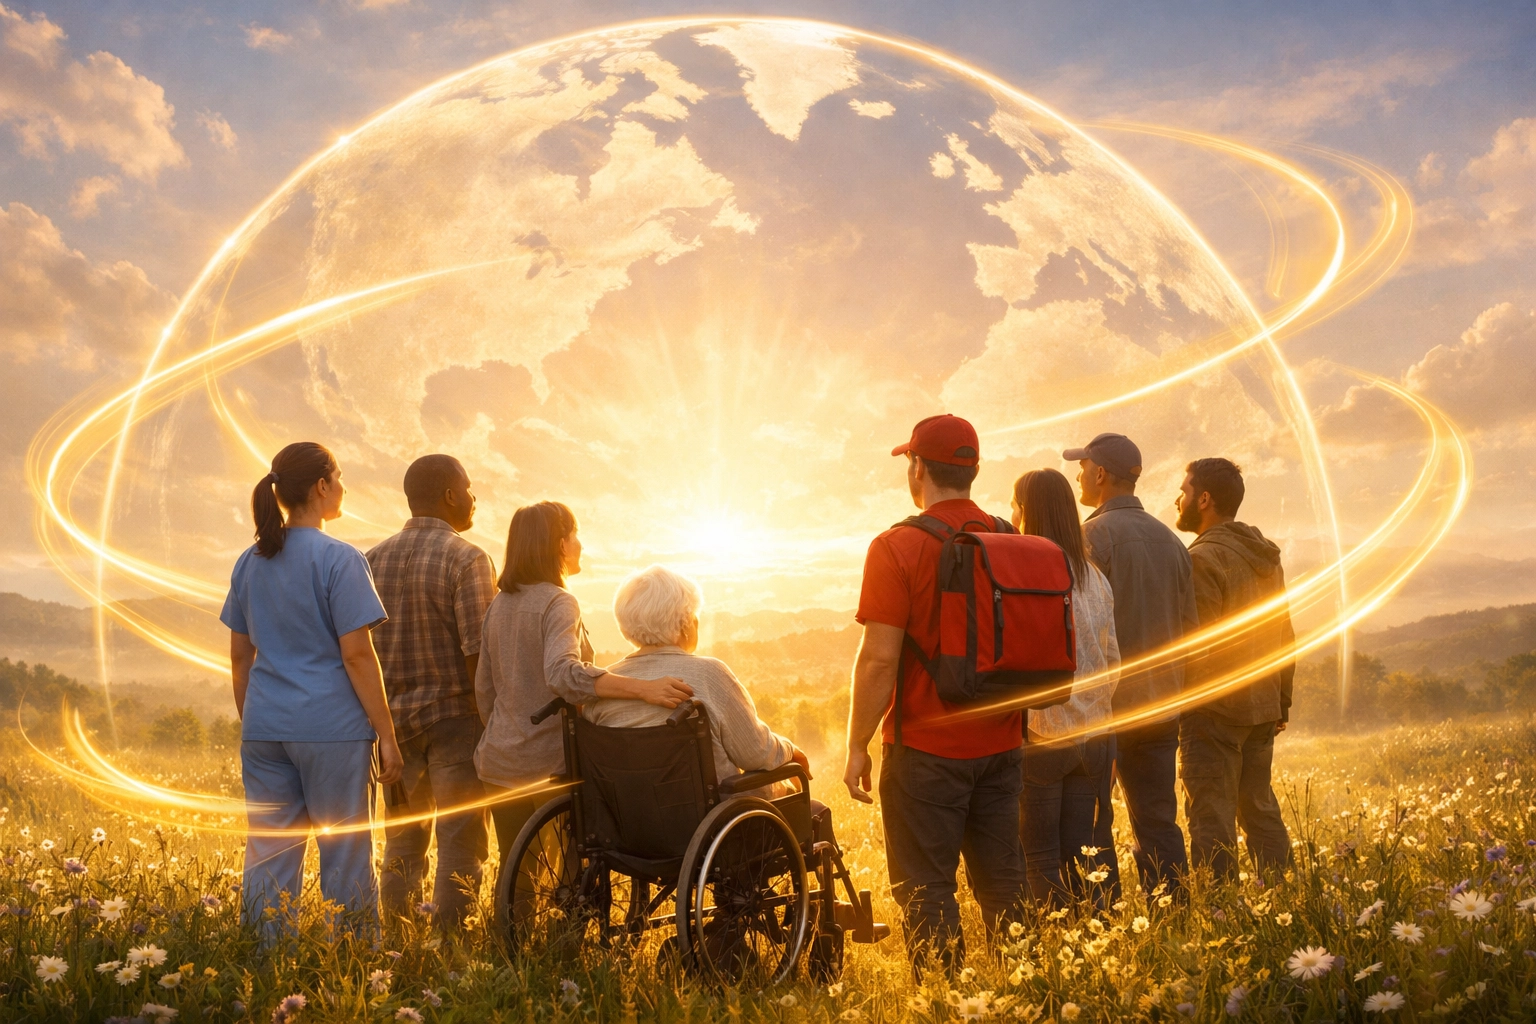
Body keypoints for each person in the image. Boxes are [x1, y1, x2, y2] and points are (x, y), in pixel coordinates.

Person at [844, 414, 1025, 973]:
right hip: (1002, 741)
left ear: (919, 468)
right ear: (972, 470)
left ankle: (946, 1001)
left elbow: (879, 659)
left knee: (926, 889)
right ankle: (1027, 987)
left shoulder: (896, 545)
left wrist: (857, 745)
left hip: (926, 747)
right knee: (1004, 884)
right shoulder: (1008, 537)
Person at [220, 441, 402, 935]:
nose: (343, 487)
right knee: (345, 853)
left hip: (264, 728)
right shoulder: (340, 559)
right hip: (332, 731)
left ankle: (264, 962)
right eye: (339, 477)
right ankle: (354, 965)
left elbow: (241, 656)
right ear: (321, 486)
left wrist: (256, 718)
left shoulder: (249, 562)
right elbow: (357, 654)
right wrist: (386, 733)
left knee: (268, 853)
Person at [474, 501, 693, 862]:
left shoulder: (500, 604)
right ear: (560, 544)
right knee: (569, 874)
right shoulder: (559, 602)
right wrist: (645, 689)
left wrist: (506, 734)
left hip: (498, 761)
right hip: (548, 766)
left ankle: (511, 923)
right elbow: (563, 674)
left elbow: (485, 689)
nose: (581, 545)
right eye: (575, 535)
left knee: (519, 879)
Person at [1064, 431, 1197, 896]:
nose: (1078, 474)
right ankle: (1173, 908)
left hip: (1109, 710)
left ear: (1100, 474)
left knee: (1096, 820)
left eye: (1082, 467)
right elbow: (1189, 628)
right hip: (1162, 707)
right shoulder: (1172, 543)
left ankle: (1105, 917)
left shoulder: (1089, 538)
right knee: (1159, 820)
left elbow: (1080, 626)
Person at [366, 454, 496, 927]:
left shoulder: (371, 560)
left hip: (392, 728)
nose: (473, 497)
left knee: (402, 838)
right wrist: (492, 718)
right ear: (448, 495)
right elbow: (477, 652)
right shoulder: (468, 558)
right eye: (468, 487)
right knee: (461, 838)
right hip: (456, 722)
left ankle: (399, 938)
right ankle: (450, 943)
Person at [582, 564, 812, 795]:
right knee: (812, 809)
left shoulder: (606, 688)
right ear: (684, 623)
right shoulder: (708, 675)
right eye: (694, 616)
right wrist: (789, 750)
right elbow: (754, 754)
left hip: (629, 825)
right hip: (717, 819)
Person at [1174, 457, 1295, 880]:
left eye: (1185, 491)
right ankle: (1283, 896)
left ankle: (1221, 911)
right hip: (1262, 707)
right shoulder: (1265, 557)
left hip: (1215, 713)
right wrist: (1280, 700)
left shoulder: (1201, 559)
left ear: (1204, 499)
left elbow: (1198, 646)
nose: (1178, 499)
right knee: (1259, 809)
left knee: (1212, 818)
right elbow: (1284, 632)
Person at [1010, 469, 1120, 909]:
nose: (1012, 514)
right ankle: (1091, 939)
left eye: (1016, 505)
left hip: (1040, 734)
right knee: (1083, 853)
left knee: (1039, 857)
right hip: (1092, 736)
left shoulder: (1026, 575)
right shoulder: (1095, 577)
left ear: (1030, 512)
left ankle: (1055, 952)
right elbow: (1113, 661)